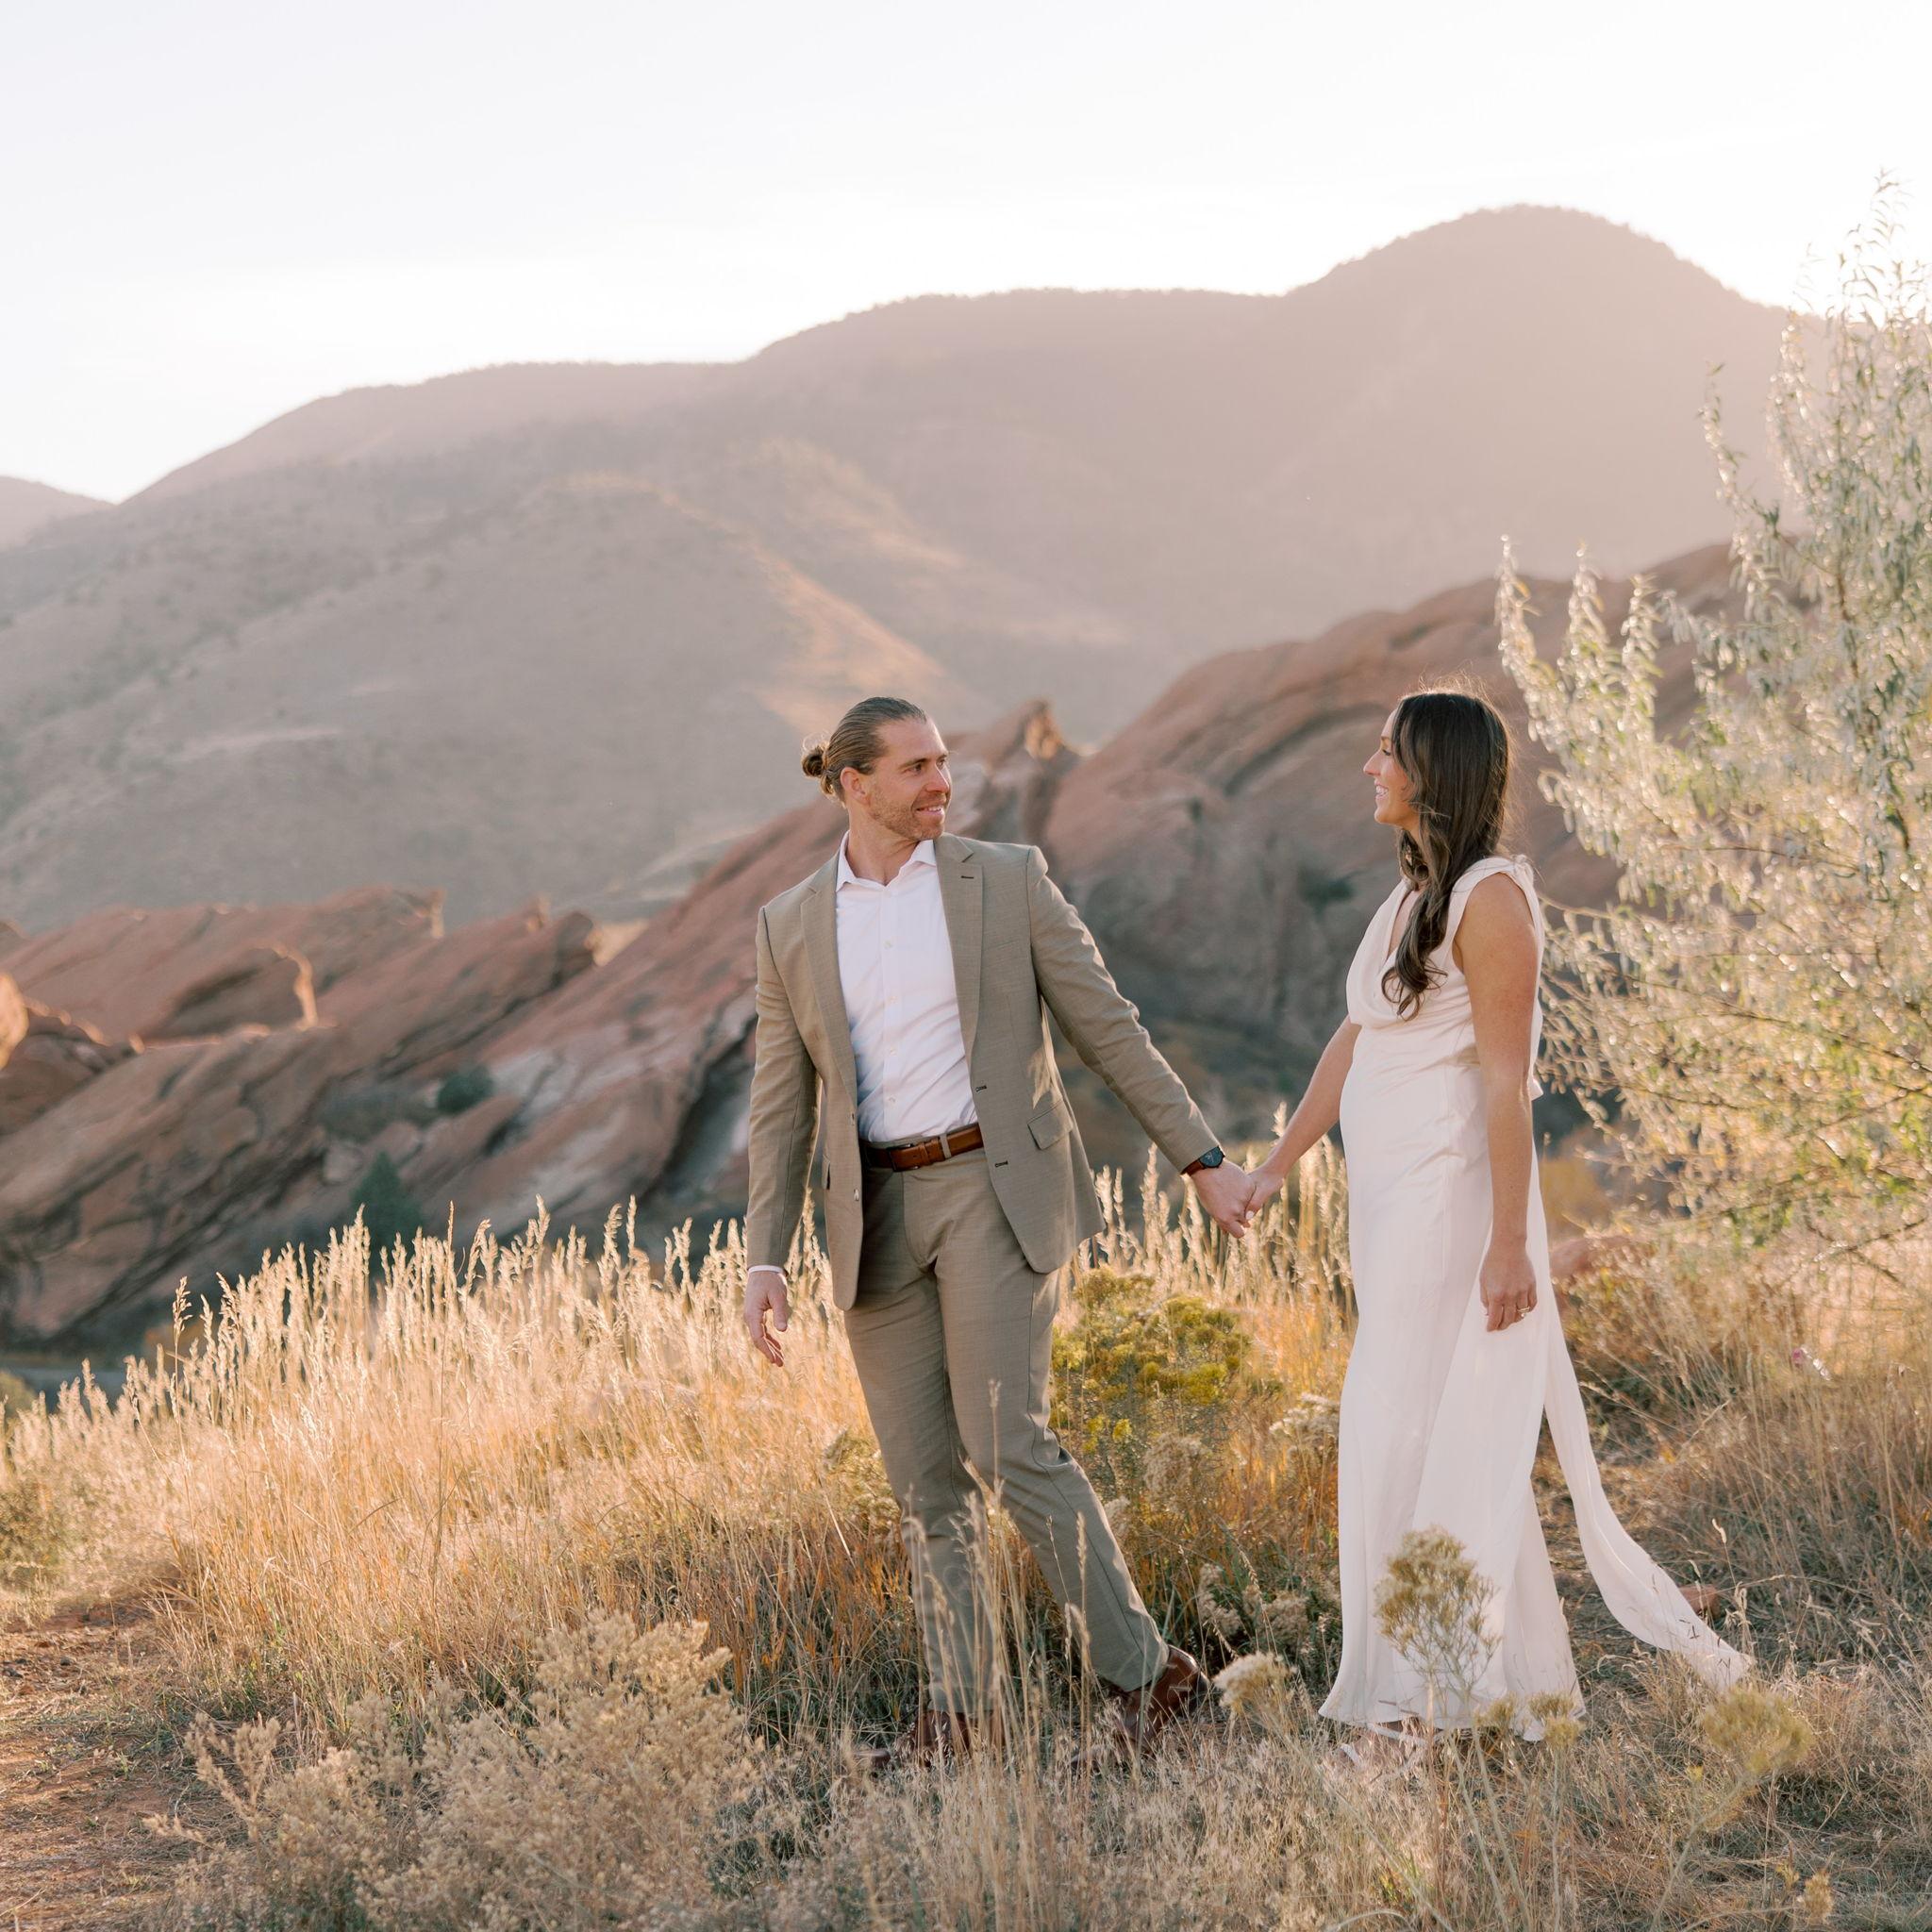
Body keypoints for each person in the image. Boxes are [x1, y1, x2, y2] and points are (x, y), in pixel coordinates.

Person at [741, 695, 1256, 1767]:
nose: (941, 783)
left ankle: (1150, 1679)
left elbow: (1107, 1028)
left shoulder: (1005, 879)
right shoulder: (790, 921)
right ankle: (961, 1717)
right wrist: (762, 1253)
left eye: (942, 763)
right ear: (852, 784)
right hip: (868, 1213)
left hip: (990, 1186)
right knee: (926, 1480)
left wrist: (1202, 1161)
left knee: (1006, 1445)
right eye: (917, 766)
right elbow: (780, 1103)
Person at [1242, 684, 1750, 1753]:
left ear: (1433, 770)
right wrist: (1278, 1163)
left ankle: (1418, 1696)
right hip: (1384, 1211)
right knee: (1420, 1431)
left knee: (1404, 1432)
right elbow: (1353, 1041)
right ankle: (1480, 1688)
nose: (1368, 768)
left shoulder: (1490, 900)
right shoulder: (1411, 894)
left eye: (1385, 752)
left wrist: (1511, 1240)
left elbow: (1506, 1085)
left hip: (1445, 1208)